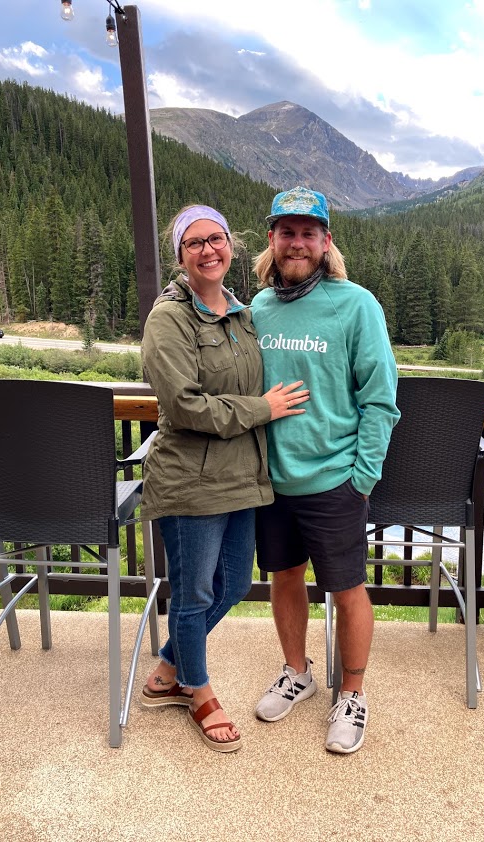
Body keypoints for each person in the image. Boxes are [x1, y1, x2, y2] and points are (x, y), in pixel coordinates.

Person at [139, 204, 309, 753]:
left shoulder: (242, 314)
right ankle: (198, 690)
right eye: (194, 243)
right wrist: (262, 409)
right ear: (181, 256)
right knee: (192, 595)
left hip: (242, 476)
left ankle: (170, 668)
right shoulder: (168, 319)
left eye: (216, 239)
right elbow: (185, 406)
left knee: (234, 585)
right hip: (190, 480)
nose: (208, 250)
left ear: (231, 245)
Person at [251, 186, 400, 754]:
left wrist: (362, 478)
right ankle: (298, 672)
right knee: (284, 578)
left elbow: (380, 399)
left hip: (336, 479)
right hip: (272, 480)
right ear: (272, 239)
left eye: (308, 233)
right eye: (287, 232)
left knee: (347, 589)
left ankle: (352, 694)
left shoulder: (357, 304)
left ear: (325, 241)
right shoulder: (258, 309)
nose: (297, 243)